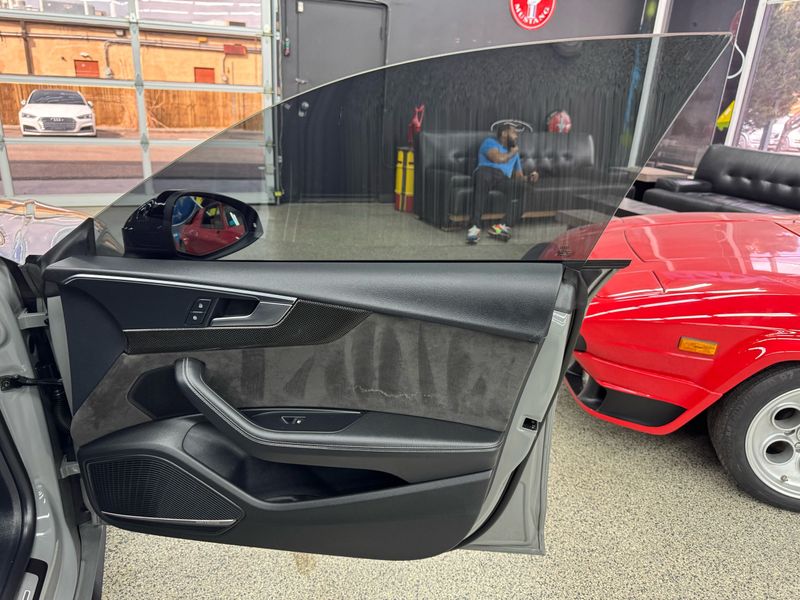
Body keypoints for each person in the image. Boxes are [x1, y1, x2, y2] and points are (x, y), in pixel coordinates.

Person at [468, 123, 539, 244]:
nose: (516, 136)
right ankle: (475, 226)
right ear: (504, 133)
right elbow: (498, 159)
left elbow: (519, 176)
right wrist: (512, 153)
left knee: (526, 189)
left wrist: (529, 178)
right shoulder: (490, 142)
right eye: (514, 133)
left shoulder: (514, 153)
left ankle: (502, 226)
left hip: (502, 178)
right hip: (485, 171)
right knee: (483, 178)